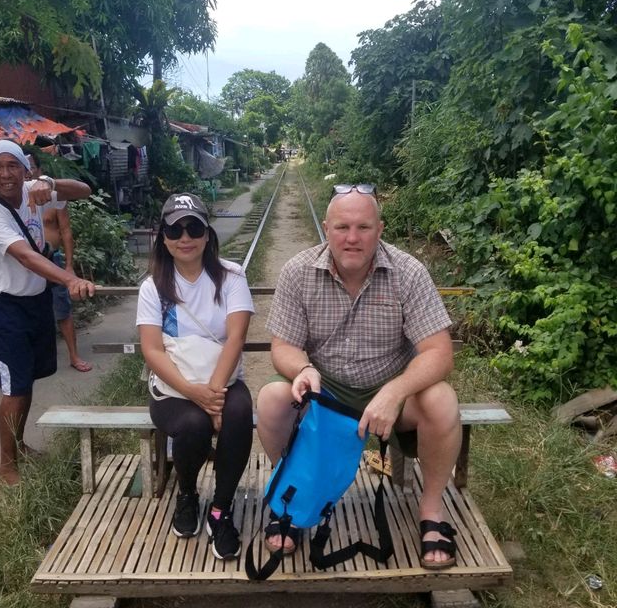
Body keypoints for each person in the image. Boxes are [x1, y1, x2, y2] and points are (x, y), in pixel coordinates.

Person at [256, 183, 462, 570]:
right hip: (325, 394)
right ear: (327, 228)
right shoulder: (298, 271)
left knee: (442, 400)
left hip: (390, 394)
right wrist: (303, 369)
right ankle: (294, 500)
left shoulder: (409, 272)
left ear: (380, 230)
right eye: (342, 227)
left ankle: (432, 512)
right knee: (270, 398)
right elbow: (282, 347)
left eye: (363, 228)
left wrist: (396, 390)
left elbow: (439, 353)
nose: (352, 238)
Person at [136, 192, 254, 561]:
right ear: (163, 237)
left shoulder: (231, 276)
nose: (184, 237)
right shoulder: (153, 287)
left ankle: (220, 510)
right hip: (173, 386)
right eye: (174, 229)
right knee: (192, 426)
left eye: (193, 227)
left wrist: (213, 395)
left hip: (223, 380)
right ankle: (187, 493)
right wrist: (194, 393)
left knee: (237, 415)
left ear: (206, 234)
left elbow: (236, 336)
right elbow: (152, 350)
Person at [0, 140, 96, 485]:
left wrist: (53, 184)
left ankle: (19, 445)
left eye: (12, 165)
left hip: (36, 301)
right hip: (6, 307)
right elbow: (27, 257)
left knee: (26, 382)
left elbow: (85, 190)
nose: (5, 174)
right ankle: (5, 466)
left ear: (25, 169)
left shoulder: (34, 190)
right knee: (14, 388)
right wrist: (71, 279)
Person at [26, 152, 92, 373]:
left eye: (31, 168)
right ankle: (32, 359)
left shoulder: (53, 197)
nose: (27, 173)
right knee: (29, 312)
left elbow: (65, 230)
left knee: (62, 310)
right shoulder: (13, 200)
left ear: (39, 170)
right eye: (23, 168)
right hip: (26, 265)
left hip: (53, 260)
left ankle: (74, 355)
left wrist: (69, 266)